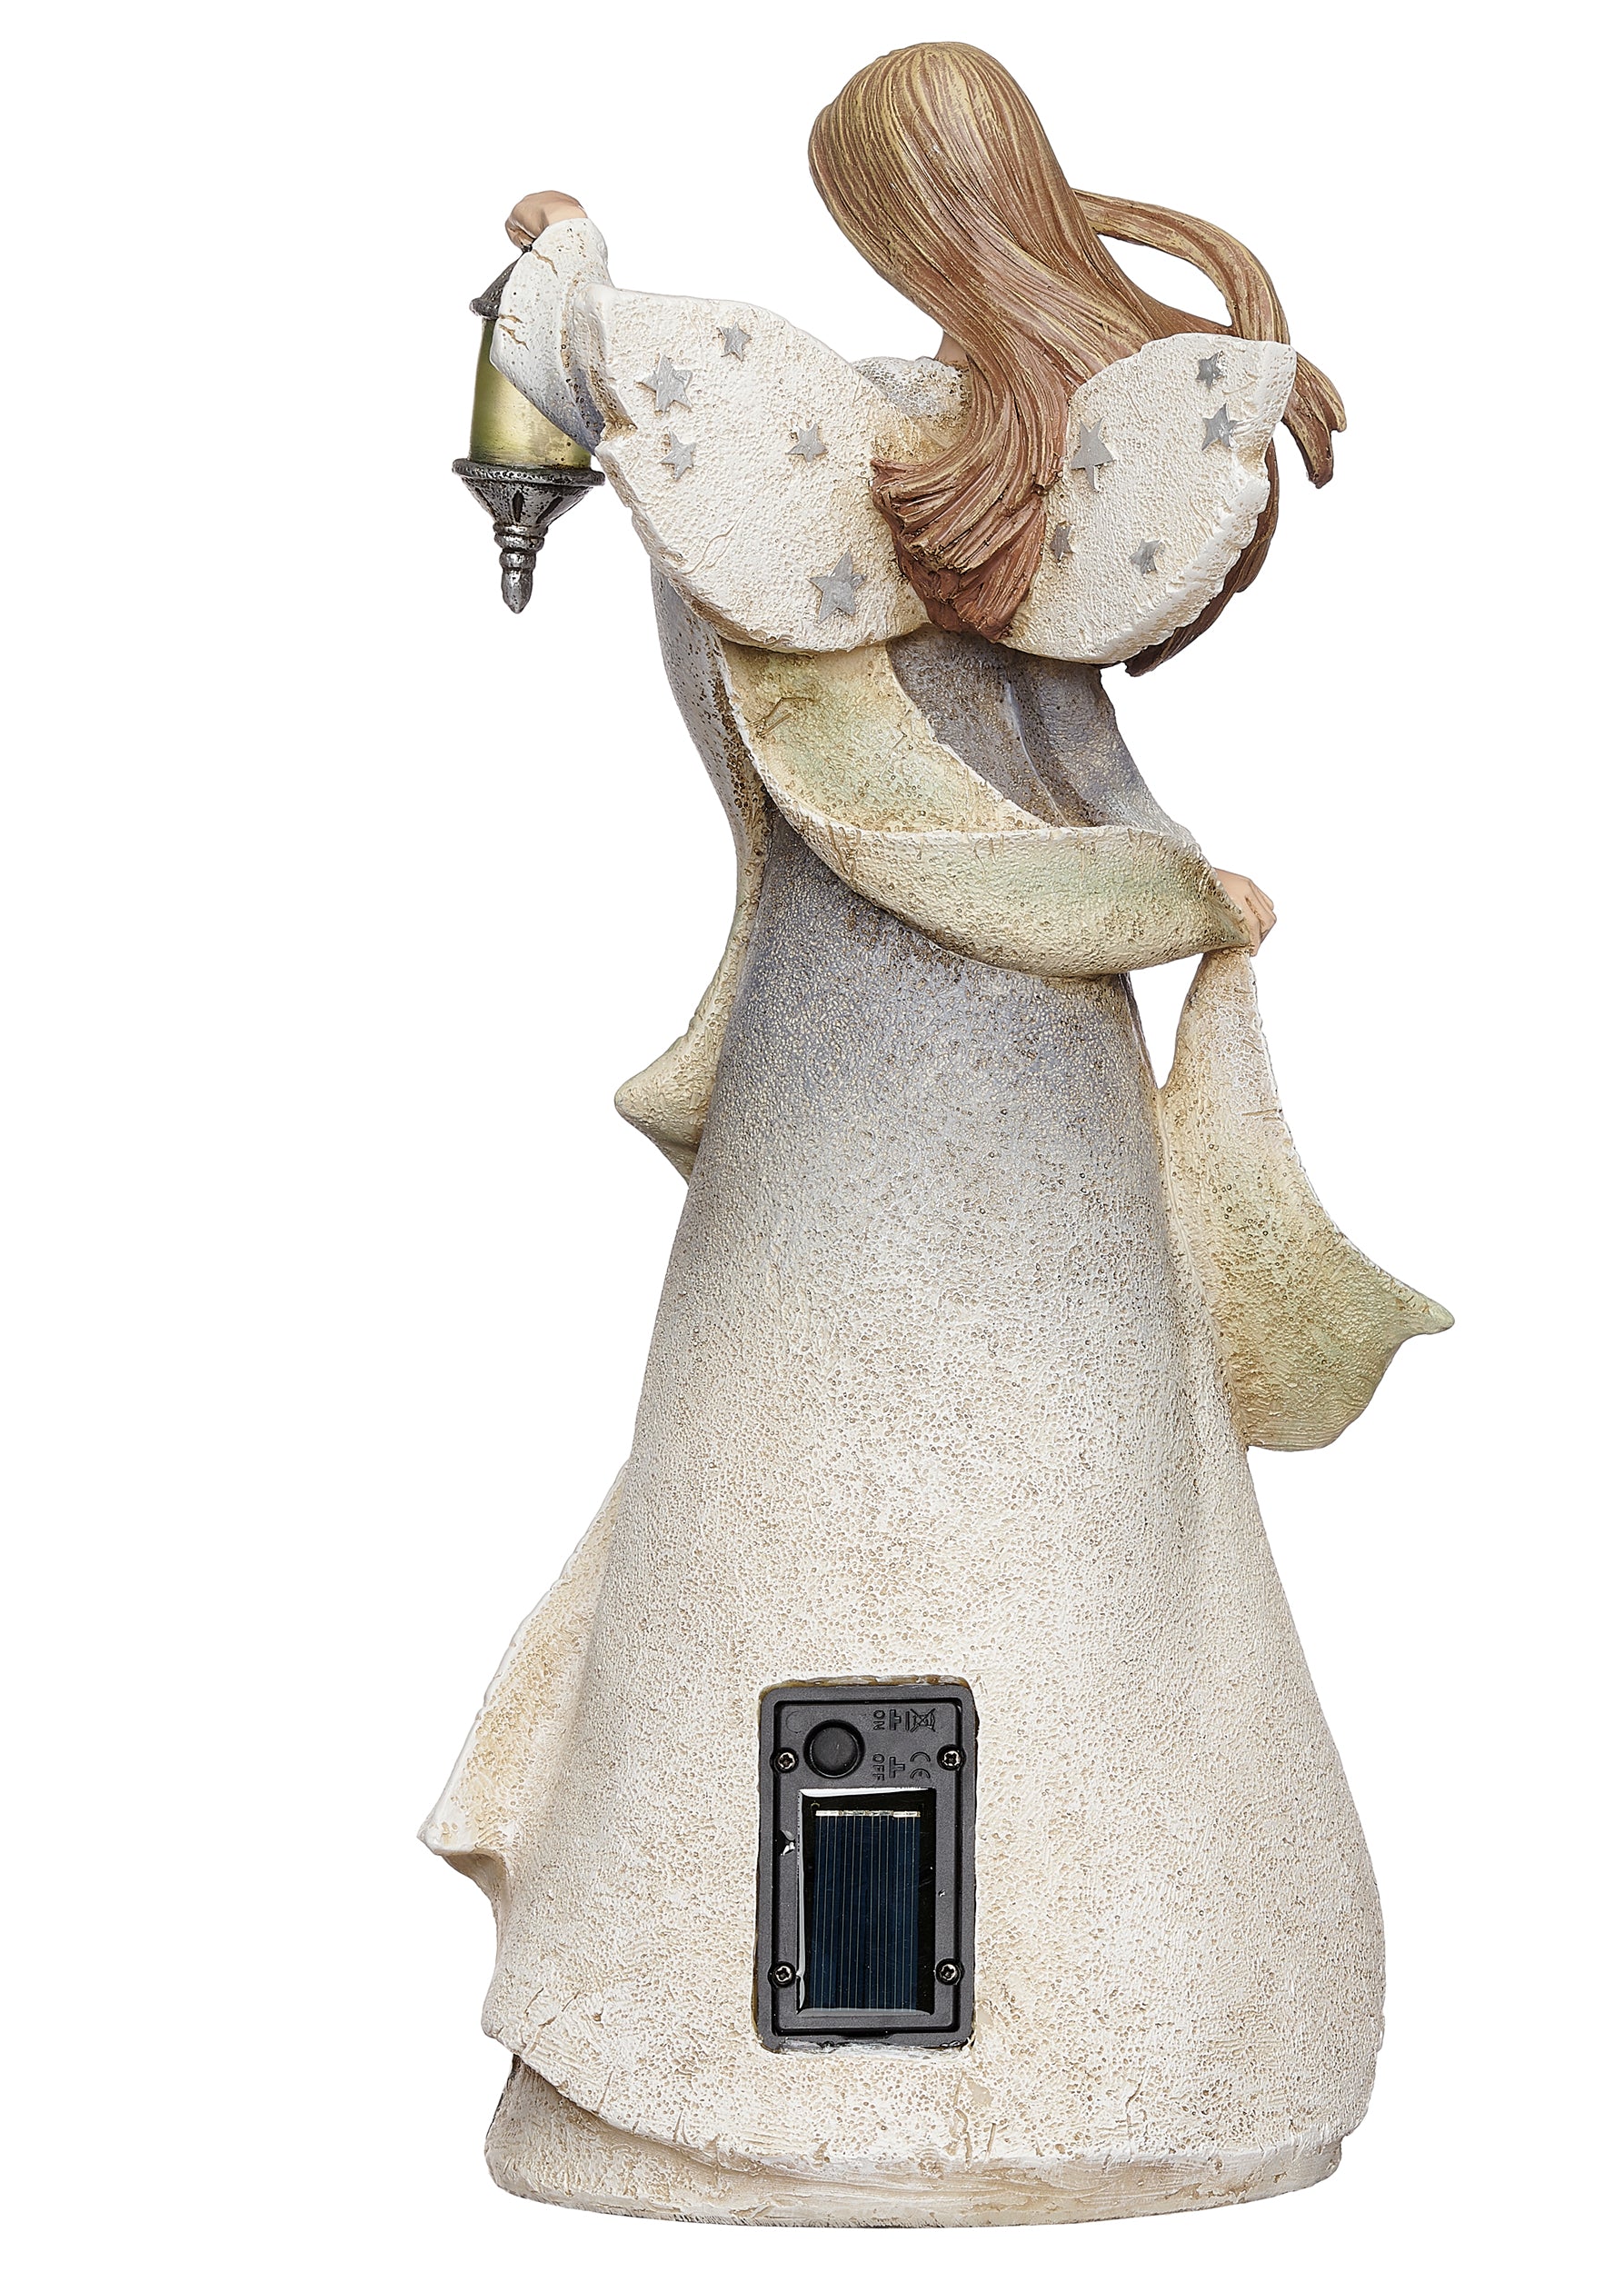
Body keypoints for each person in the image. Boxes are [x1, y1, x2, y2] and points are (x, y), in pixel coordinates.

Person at [425, 41, 1446, 2225]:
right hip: (1023, 1068)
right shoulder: (1063, 453)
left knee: (834, 1485)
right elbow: (1073, 740)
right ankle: (1097, 2029)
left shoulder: (813, 441)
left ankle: (813, 2055)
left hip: (859, 1069)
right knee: (1028, 1516)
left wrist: (563, 268)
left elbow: (597, 383)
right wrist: (1158, 877)